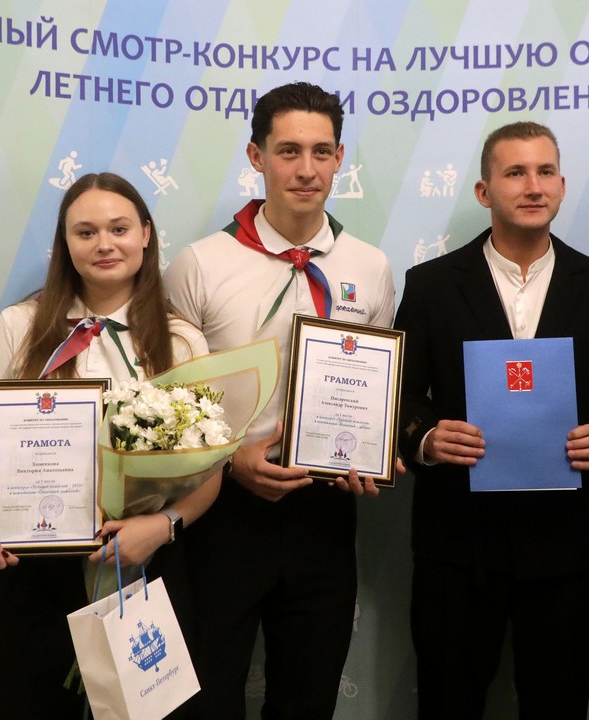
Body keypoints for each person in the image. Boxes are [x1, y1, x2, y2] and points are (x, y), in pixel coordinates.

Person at [161, 81, 395, 719]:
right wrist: (231, 459)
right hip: (220, 511)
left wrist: (374, 453)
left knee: (308, 698)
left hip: (325, 511)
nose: (306, 169)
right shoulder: (200, 264)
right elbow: (172, 403)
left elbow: (375, 391)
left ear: (340, 158)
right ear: (256, 156)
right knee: (209, 697)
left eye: (321, 152)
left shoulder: (370, 266)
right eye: (288, 151)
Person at [394, 121, 589, 719]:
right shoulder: (430, 286)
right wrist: (427, 437)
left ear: (562, 185)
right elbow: (398, 394)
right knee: (448, 706)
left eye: (545, 171)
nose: (534, 186)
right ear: (484, 191)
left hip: (565, 547)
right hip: (457, 542)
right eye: (515, 173)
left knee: (558, 706)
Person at [0, 172, 216, 719]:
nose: (104, 244)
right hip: (36, 567)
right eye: (86, 232)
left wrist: (162, 526)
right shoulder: (20, 326)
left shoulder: (181, 340)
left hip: (142, 560)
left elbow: (209, 470)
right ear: (65, 243)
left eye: (119, 229)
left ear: (145, 234)